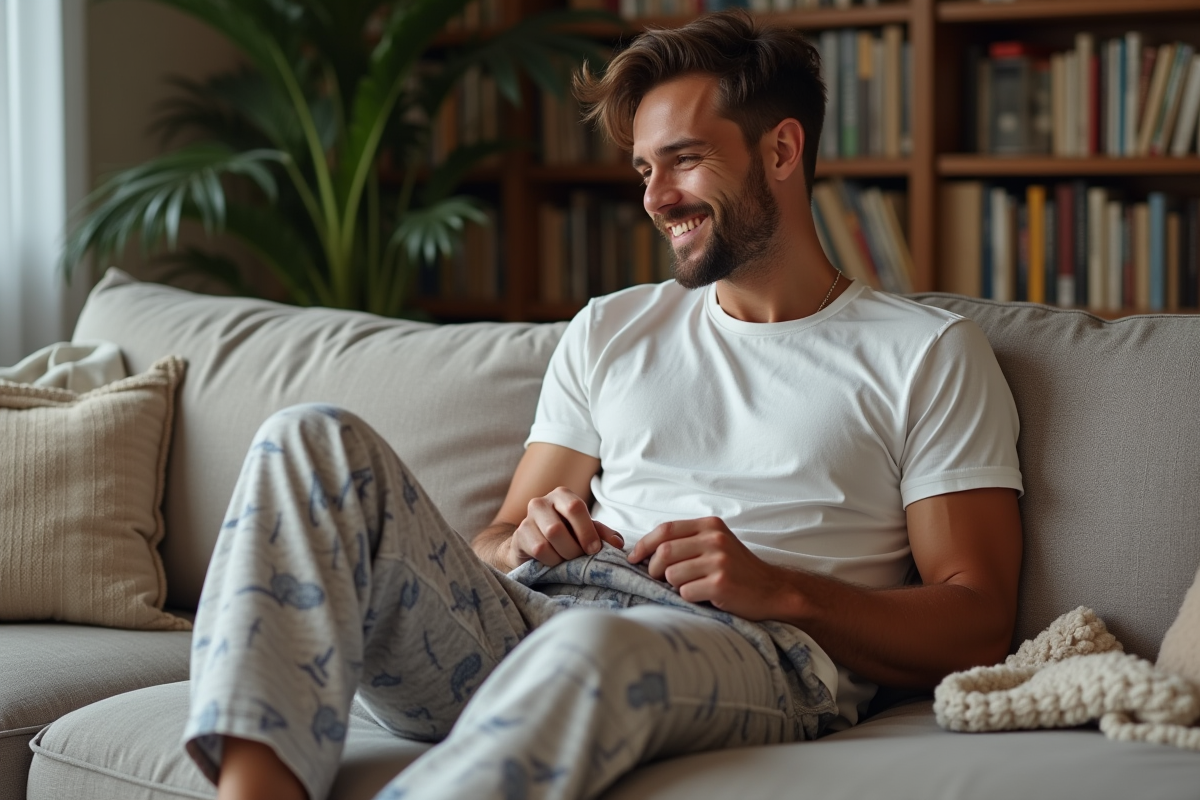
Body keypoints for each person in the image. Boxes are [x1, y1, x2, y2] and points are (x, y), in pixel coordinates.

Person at [183, 10, 1024, 800]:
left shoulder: (926, 353)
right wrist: (527, 536)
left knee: (594, 646)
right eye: (645, 169)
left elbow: (978, 620)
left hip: (757, 651)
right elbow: (494, 538)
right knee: (306, 437)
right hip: (544, 616)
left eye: (685, 160)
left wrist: (782, 590)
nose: (656, 198)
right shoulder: (612, 328)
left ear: (781, 150)